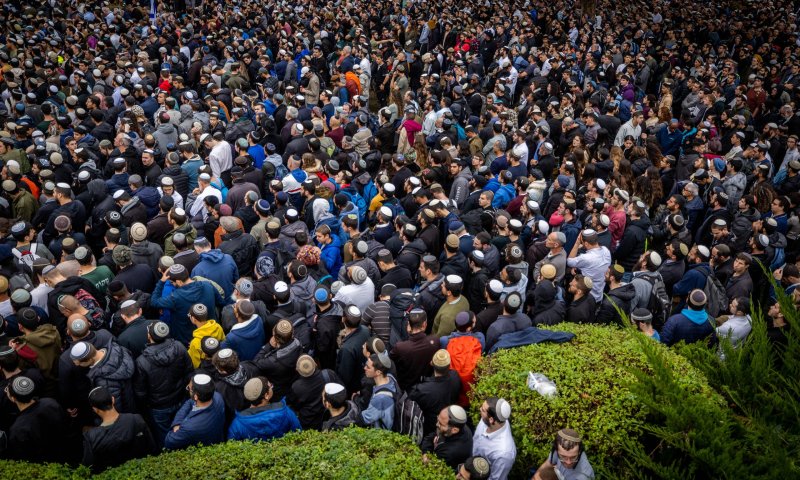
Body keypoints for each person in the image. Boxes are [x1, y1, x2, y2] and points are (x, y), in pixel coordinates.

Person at [132, 321, 194, 447]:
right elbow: (189, 371)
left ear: (149, 336)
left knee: (164, 434)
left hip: (159, 406)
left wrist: (147, 405)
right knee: (183, 427)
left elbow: (140, 391)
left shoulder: (141, 361)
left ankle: (168, 454)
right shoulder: (179, 347)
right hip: (180, 398)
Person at [82, 386, 156, 473]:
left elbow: (89, 468)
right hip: (142, 472)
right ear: (113, 400)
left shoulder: (91, 437)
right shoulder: (136, 419)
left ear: (95, 409)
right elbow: (152, 448)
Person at [227, 376, 302, 441]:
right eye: (270, 386)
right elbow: (298, 432)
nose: (272, 387)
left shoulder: (238, 423)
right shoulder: (286, 412)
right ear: (266, 395)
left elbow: (232, 444)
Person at [163, 373, 226, 450]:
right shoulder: (218, 397)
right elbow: (190, 402)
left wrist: (177, 425)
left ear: (196, 396)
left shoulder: (190, 427)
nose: (188, 389)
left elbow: (169, 441)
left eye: (188, 388)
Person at [472, 397, 517, 480]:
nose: (479, 409)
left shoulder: (504, 454)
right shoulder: (491, 419)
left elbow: (495, 478)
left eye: (483, 410)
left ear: (491, 420)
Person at [421, 405, 474, 472]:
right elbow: (429, 438)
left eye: (441, 424)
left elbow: (432, 468)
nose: (437, 424)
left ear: (454, 430)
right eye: (438, 419)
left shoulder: (450, 453)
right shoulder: (456, 426)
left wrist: (425, 454)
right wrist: (426, 452)